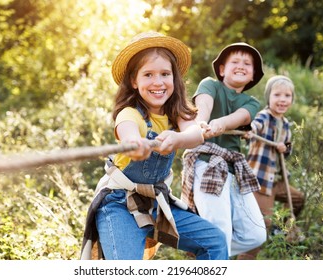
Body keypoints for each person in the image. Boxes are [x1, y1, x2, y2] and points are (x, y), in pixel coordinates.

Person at [80, 31, 228, 260]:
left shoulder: (175, 113)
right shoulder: (129, 114)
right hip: (119, 205)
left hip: (156, 202)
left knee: (215, 242)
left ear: (174, 78)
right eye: (148, 74)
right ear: (134, 81)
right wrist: (134, 145)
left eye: (165, 74)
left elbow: (195, 132)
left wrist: (178, 138)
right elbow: (128, 133)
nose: (158, 82)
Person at [181, 42, 267, 259]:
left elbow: (241, 117)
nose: (241, 66)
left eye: (247, 64)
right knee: (220, 230)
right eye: (235, 62)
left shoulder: (251, 102)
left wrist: (222, 123)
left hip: (234, 169)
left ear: (253, 74)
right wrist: (201, 123)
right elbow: (204, 107)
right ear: (222, 70)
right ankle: (214, 257)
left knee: (256, 234)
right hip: (207, 163)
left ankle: (209, 255)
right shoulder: (210, 85)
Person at [239, 75, 305, 259]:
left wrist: (285, 149)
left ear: (292, 99)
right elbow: (254, 126)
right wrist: (249, 130)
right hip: (260, 181)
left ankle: (281, 228)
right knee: (261, 225)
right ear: (269, 97)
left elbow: (287, 150)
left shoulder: (285, 124)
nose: (282, 100)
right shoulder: (264, 117)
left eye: (287, 96)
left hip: (276, 181)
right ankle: (245, 258)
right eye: (277, 95)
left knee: (298, 199)